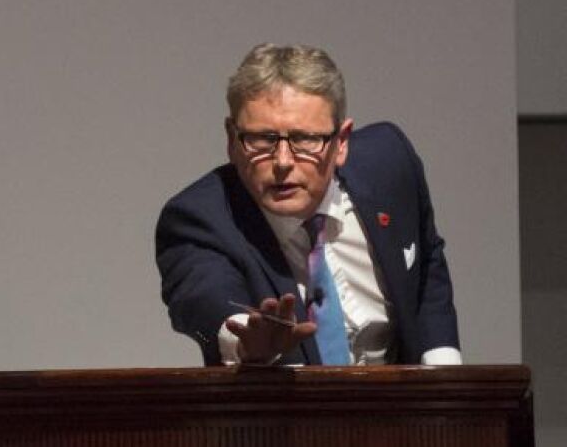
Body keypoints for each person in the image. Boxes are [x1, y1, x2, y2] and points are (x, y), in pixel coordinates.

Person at [155, 43, 461, 366]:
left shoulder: (389, 165)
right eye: (262, 140)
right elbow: (205, 299)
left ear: (341, 142)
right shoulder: (198, 217)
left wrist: (445, 376)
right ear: (232, 140)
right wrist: (246, 341)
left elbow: (426, 266)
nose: (283, 162)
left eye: (305, 140)